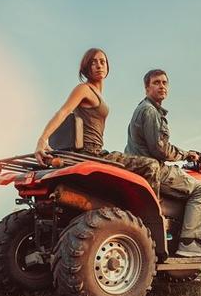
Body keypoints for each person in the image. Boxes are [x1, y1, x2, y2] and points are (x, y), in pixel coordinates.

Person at [34, 48, 161, 195]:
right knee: (152, 165)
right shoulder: (84, 89)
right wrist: (42, 140)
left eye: (102, 61)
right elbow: (63, 112)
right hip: (90, 152)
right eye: (93, 62)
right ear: (86, 68)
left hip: (96, 150)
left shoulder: (97, 94)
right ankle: (152, 216)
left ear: (107, 66)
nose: (99, 65)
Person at [125, 69, 201, 258]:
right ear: (146, 87)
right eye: (156, 82)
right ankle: (189, 242)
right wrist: (186, 154)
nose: (162, 86)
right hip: (154, 168)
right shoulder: (150, 111)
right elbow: (160, 149)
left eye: (165, 83)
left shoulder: (145, 109)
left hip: (140, 165)